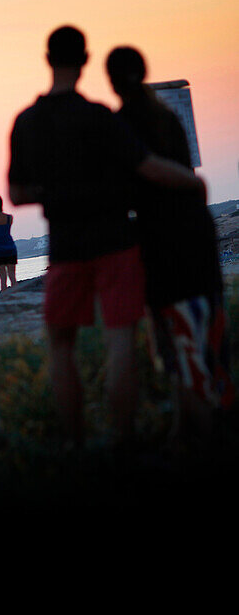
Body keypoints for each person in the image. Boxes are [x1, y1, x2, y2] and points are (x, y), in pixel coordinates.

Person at [7, 25, 206, 449]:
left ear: (47, 59)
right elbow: (148, 167)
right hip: (116, 242)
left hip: (65, 247)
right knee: (121, 341)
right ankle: (125, 443)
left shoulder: (26, 122)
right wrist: (191, 184)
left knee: (61, 348)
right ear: (84, 61)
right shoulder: (100, 117)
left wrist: (55, 191)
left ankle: (77, 446)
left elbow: (18, 194)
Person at [106, 45, 234, 443]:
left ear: (110, 81)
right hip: (198, 237)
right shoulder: (168, 116)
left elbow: (128, 190)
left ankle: (204, 440)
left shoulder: (121, 125)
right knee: (207, 345)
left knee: (182, 355)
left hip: (163, 248)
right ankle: (191, 436)